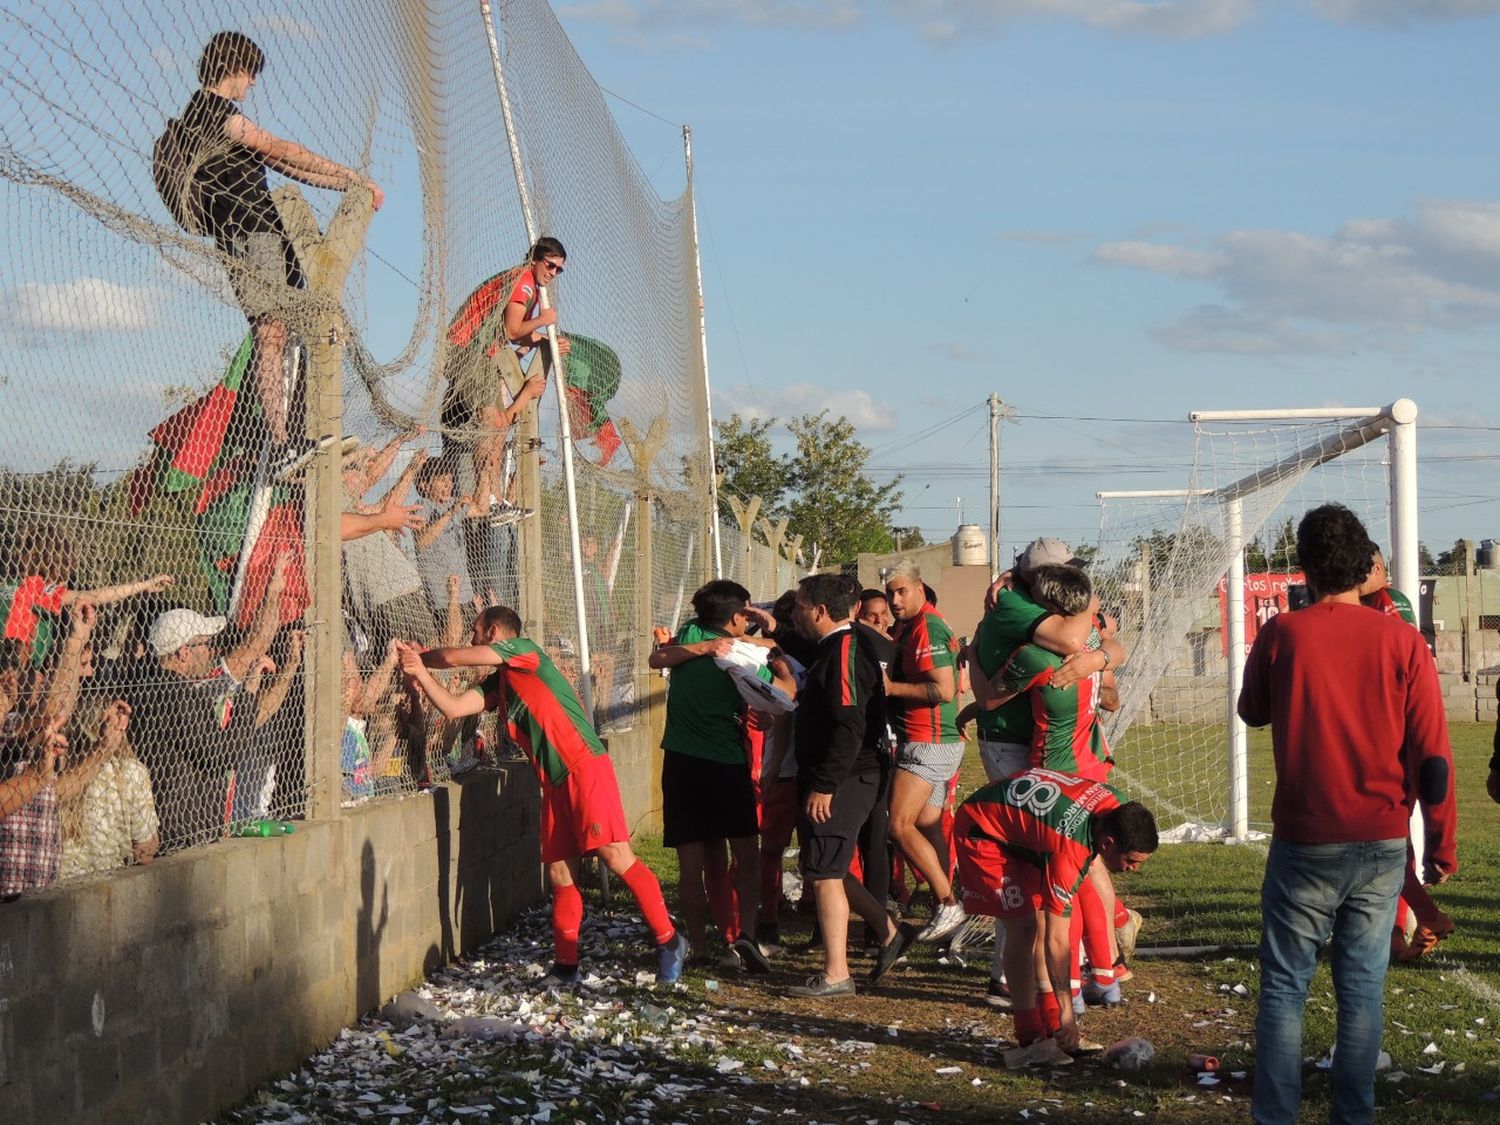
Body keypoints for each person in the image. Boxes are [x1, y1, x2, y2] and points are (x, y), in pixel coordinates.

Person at [1238, 504, 1457, 1125]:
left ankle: (1275, 1116)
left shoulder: (1282, 635)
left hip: (1305, 839)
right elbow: (1434, 756)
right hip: (1381, 839)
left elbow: (1251, 710)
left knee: (1285, 987)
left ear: (1303, 567)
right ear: (1364, 565)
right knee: (1361, 989)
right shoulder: (1402, 640)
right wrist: (1441, 844)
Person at [396, 605, 689, 984]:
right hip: (553, 780)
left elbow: (452, 657)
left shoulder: (523, 650)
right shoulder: (498, 683)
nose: (471, 639)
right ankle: (567, 968)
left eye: (476, 632)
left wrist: (422, 657)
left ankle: (669, 941)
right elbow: (453, 708)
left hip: (583, 767)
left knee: (616, 856)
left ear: (495, 632)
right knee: (560, 872)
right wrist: (420, 672)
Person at [180, 31, 383, 479]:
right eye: (249, 74)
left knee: (292, 330)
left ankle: (296, 434)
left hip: (267, 232)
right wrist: (350, 174)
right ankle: (280, 443)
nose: (252, 84)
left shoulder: (222, 121)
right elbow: (283, 149)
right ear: (233, 69)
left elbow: (286, 165)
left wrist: (349, 185)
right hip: (248, 233)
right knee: (270, 333)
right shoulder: (212, 113)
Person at [953, 769, 1158, 1065]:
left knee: (1037, 921)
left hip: (1023, 828)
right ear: (1108, 843)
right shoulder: (1068, 851)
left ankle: (1052, 1028)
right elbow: (1057, 942)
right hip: (984, 830)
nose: (1132, 869)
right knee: (1024, 929)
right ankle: (1030, 1037)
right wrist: (1067, 1013)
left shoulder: (1118, 805)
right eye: (1130, 861)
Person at [647, 581, 793, 970]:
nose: (750, 617)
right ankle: (746, 935)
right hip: (725, 765)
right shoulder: (741, 652)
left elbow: (658, 658)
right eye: (746, 612)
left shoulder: (692, 633)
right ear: (734, 618)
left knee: (691, 862)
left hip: (680, 764)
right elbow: (782, 686)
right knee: (746, 852)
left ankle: (700, 949)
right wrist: (775, 649)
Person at [783, 574, 913, 998]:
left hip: (847, 775)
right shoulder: (836, 647)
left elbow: (850, 725)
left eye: (799, 606)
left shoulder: (843, 651)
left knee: (823, 872)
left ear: (820, 611)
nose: (794, 613)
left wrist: (826, 784)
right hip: (847, 773)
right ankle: (888, 929)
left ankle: (836, 973)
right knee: (828, 864)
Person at [881, 561, 966, 943]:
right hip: (934, 742)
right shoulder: (911, 627)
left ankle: (948, 902)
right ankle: (946, 906)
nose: (895, 600)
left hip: (928, 742)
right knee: (928, 826)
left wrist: (891, 688)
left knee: (898, 825)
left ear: (919, 589)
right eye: (890, 593)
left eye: (902, 592)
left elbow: (943, 690)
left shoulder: (927, 627)